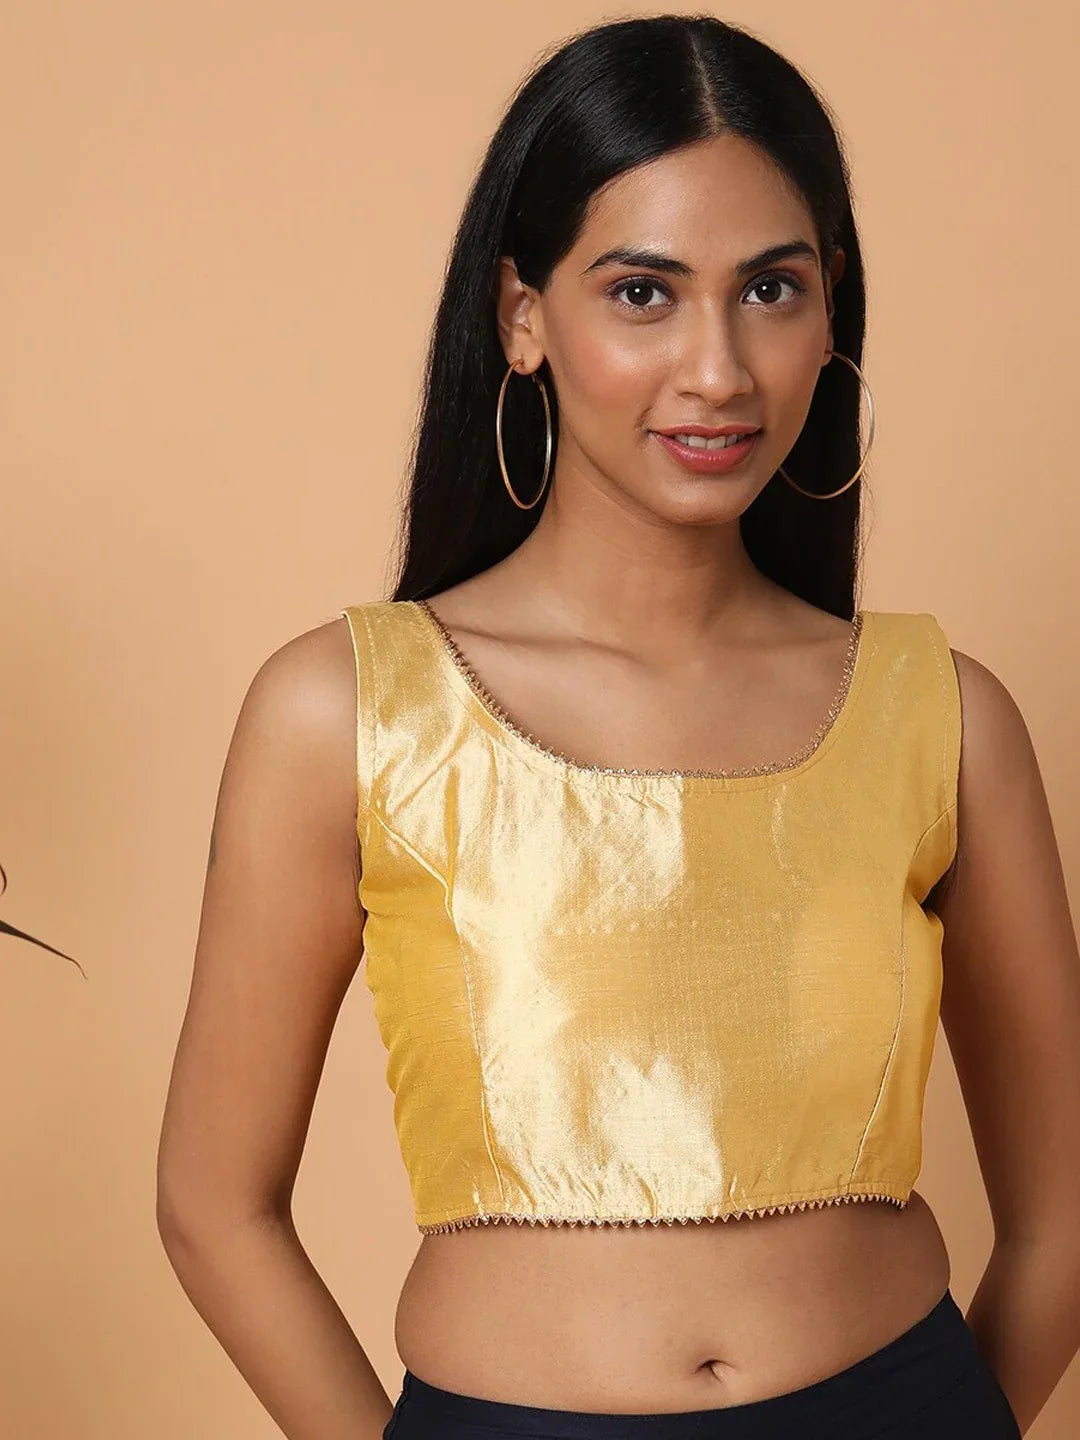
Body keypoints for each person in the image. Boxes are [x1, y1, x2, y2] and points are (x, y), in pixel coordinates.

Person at [156, 14, 1080, 1440]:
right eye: (643, 293)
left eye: (770, 289)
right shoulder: (347, 711)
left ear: (833, 307)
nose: (717, 369)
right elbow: (214, 1206)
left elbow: (1065, 1210)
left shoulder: (942, 715)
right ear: (523, 314)